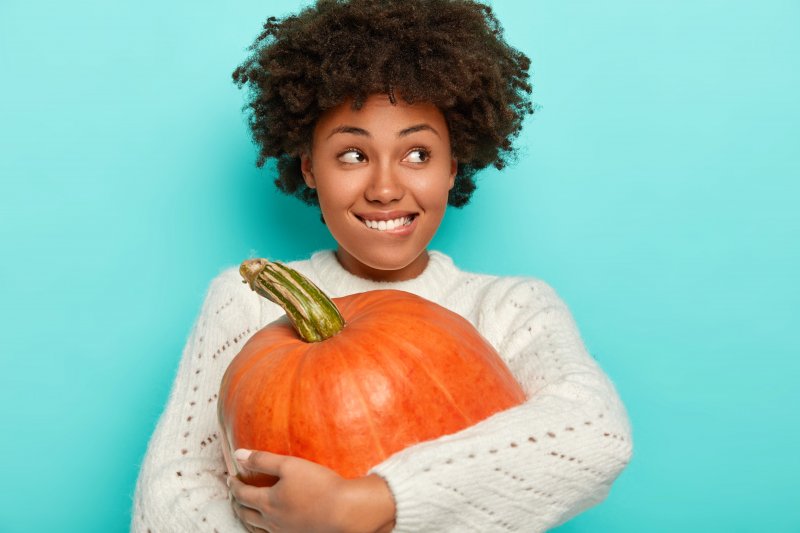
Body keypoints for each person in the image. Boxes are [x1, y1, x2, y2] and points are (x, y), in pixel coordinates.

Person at [131, 0, 633, 531]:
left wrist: (366, 505)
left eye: (417, 154)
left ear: (452, 168)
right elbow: (172, 492)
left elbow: (595, 434)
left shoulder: (510, 308)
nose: (387, 188)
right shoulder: (246, 300)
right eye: (353, 155)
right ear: (309, 168)